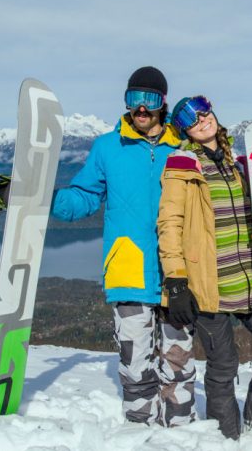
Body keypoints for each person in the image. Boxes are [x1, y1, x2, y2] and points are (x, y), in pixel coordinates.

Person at [49, 67, 196, 427]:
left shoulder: (183, 146)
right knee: (134, 363)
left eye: (150, 100)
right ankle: (139, 431)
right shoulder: (107, 147)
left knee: (179, 359)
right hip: (128, 270)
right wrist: (42, 199)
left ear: (163, 104)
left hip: (177, 271)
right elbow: (84, 198)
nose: (141, 109)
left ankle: (180, 432)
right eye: (134, 99)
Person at [157, 95, 252, 440]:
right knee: (223, 364)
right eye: (190, 119)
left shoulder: (241, 164)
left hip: (251, 282)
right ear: (183, 130)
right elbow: (169, 225)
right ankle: (225, 437)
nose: (201, 120)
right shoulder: (181, 166)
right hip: (208, 285)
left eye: (203, 111)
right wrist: (177, 281)